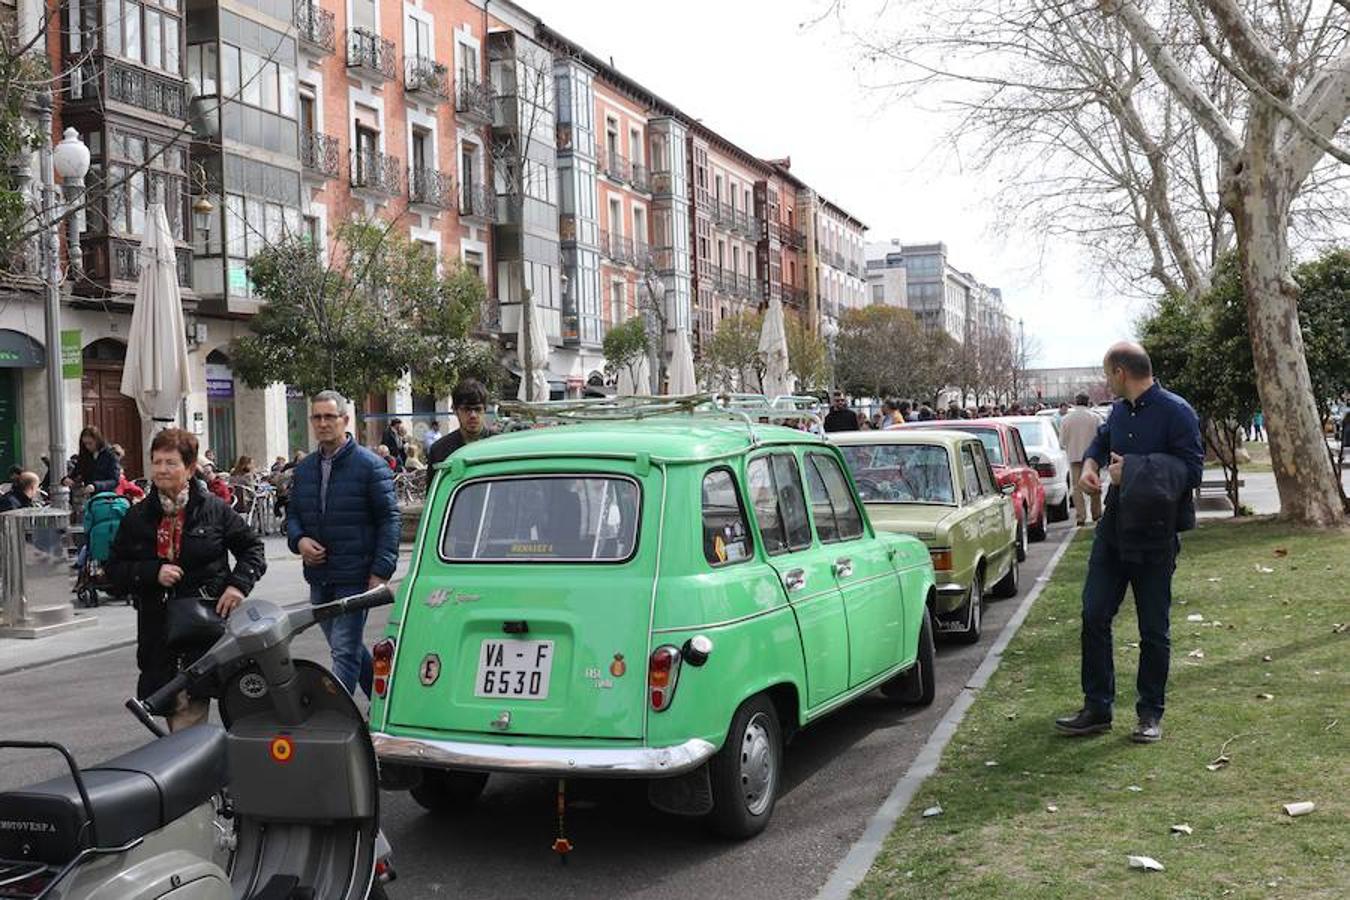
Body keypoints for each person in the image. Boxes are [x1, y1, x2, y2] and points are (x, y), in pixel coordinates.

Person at [1055, 342, 1202, 745]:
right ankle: (1097, 707)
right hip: (1114, 531)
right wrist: (1090, 466)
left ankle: (1150, 713)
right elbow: (1102, 442)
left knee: (1153, 628)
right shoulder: (1119, 411)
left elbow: (1192, 471)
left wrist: (1132, 472)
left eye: (1107, 375)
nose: (1106, 382)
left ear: (1120, 373)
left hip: (1155, 534)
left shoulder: (1177, 411)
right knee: (1093, 613)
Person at [107, 428, 266, 732]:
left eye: (171, 463)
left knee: (216, 711)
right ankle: (198, 774)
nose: (162, 470)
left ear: (190, 468)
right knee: (180, 716)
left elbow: (252, 549)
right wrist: (152, 572)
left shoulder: (214, 510)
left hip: (206, 628)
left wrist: (237, 585)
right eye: (157, 462)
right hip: (159, 632)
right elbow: (114, 571)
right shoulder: (137, 517)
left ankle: (208, 772)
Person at [287, 391, 400, 697]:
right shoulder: (305, 468)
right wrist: (300, 541)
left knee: (343, 651)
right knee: (347, 647)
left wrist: (381, 571)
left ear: (345, 420)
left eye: (329, 417)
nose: (323, 424)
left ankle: (339, 721)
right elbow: (293, 515)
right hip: (320, 576)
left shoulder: (370, 466)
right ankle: (383, 701)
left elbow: (389, 520)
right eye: (317, 417)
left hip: (356, 575)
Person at [1060, 393, 1105, 527]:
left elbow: (1062, 440)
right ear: (1087, 402)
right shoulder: (1096, 417)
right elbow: (1102, 437)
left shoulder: (1066, 419)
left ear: (1075, 402)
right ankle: (1096, 513)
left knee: (1076, 487)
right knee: (1094, 485)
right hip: (1092, 457)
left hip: (1074, 455)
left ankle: (1081, 516)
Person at [428, 380, 491, 466]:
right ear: (455, 410)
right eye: (466, 409)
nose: (473, 415)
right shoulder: (439, 450)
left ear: (485, 410)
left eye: (478, 409)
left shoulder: (499, 445)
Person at [66, 427, 121, 497]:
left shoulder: (110, 454)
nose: (88, 446)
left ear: (97, 441)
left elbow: (114, 481)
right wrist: (67, 479)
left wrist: (95, 486)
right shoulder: (85, 455)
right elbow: (77, 471)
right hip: (88, 497)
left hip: (106, 496)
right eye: (85, 444)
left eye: (90, 443)